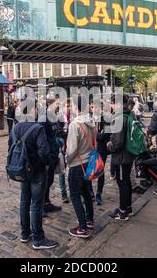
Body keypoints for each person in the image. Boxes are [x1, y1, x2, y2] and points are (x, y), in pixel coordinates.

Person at [8, 106, 59, 250]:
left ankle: (25, 233)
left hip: (23, 169)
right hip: (37, 171)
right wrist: (49, 164)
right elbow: (44, 152)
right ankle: (38, 239)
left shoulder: (16, 127)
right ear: (32, 110)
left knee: (24, 201)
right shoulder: (37, 128)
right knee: (36, 204)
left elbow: (10, 148)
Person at [66, 95, 96, 238]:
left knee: (75, 195)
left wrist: (66, 160)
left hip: (77, 164)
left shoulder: (75, 124)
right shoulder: (91, 121)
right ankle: (89, 219)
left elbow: (71, 149)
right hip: (89, 161)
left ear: (77, 107)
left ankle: (82, 228)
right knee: (86, 192)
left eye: (72, 104)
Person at [107, 95, 137, 220]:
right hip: (129, 154)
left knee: (122, 182)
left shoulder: (120, 117)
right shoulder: (130, 114)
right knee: (126, 181)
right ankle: (128, 207)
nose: (112, 106)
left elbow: (117, 142)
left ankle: (122, 211)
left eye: (113, 103)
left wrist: (110, 146)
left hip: (121, 156)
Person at [42, 99, 62, 217]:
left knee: (49, 181)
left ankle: (47, 202)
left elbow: (56, 132)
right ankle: (41, 206)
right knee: (44, 182)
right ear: (50, 104)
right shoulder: (44, 118)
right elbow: (43, 138)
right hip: (48, 154)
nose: (58, 106)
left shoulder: (53, 116)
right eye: (56, 104)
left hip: (54, 153)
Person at [89, 101, 110, 206]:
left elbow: (106, 136)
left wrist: (94, 134)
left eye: (97, 107)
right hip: (90, 149)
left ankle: (98, 194)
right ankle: (90, 193)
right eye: (93, 107)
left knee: (100, 172)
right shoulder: (89, 120)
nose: (95, 109)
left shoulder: (106, 120)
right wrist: (98, 134)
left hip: (102, 150)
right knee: (89, 171)